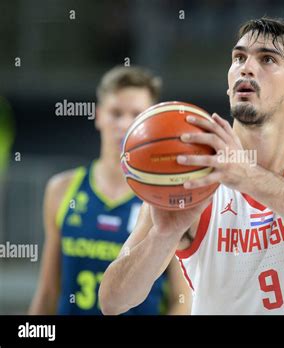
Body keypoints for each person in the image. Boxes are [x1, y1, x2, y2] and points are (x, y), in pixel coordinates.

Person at [99, 17, 284, 315]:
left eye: (267, 59)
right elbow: (113, 301)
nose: (247, 67)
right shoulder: (190, 175)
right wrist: (162, 236)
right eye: (239, 57)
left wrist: (246, 175)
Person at [29, 66, 191, 315]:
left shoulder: (164, 198)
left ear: (150, 122)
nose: (125, 123)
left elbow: (182, 300)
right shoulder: (62, 189)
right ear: (98, 116)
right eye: (116, 113)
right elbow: (49, 290)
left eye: (136, 114)